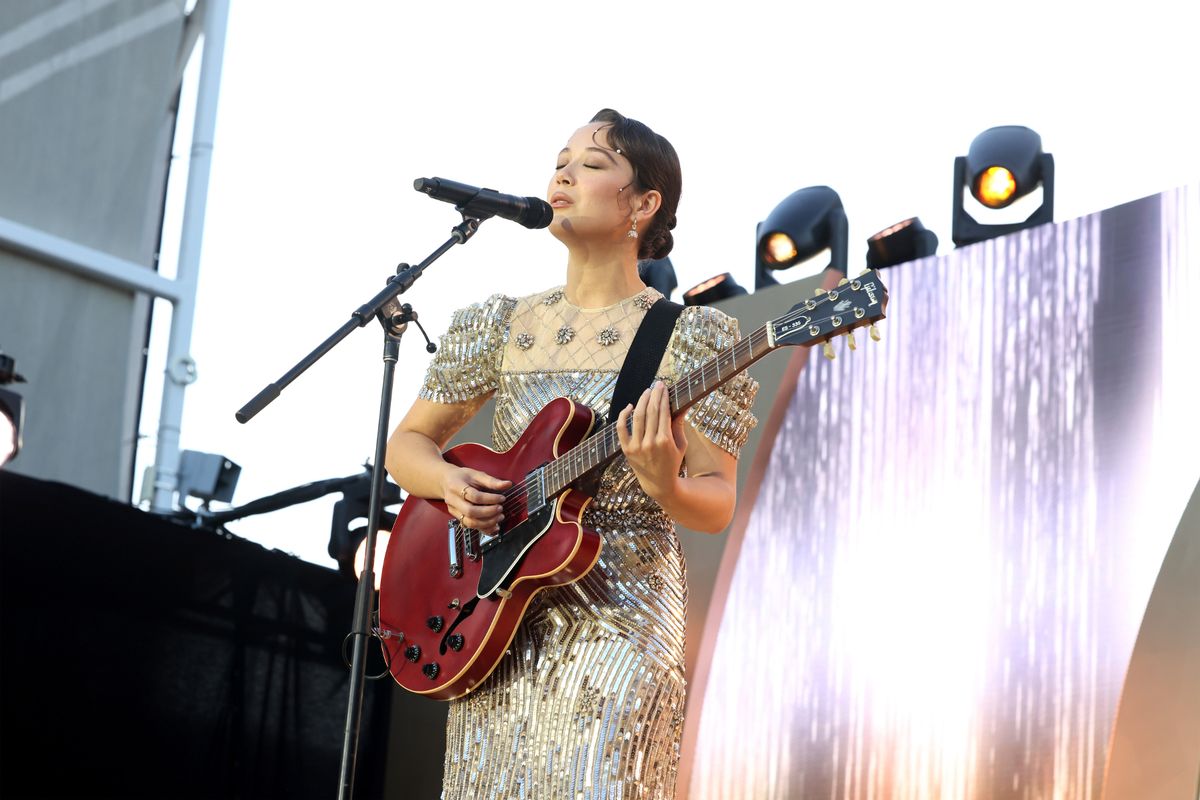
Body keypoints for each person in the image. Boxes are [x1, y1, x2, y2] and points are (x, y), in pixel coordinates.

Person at [385, 108, 759, 799]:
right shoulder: (497, 324)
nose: (563, 172)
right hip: (496, 614)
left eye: (592, 164)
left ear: (642, 205)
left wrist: (664, 483)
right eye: (561, 160)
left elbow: (715, 501)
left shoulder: (691, 336)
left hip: (621, 609)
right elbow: (405, 448)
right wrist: (451, 482)